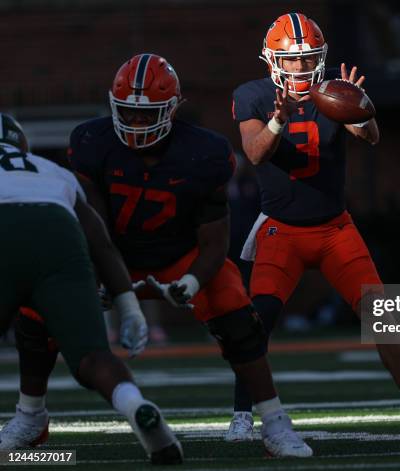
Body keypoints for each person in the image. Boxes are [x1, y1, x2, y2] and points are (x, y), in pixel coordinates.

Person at [4, 54, 311, 458]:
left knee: (238, 316)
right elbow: (94, 228)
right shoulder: (91, 142)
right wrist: (98, 277)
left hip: (180, 257)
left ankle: (274, 422)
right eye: (128, 114)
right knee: (34, 313)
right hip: (114, 255)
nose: (135, 124)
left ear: (172, 109)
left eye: (145, 115)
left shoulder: (205, 152)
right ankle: (30, 417)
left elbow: (216, 241)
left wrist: (193, 281)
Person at [228, 12, 400, 442]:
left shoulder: (333, 85)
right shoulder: (254, 96)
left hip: (335, 228)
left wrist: (359, 105)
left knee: (381, 314)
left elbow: (369, 135)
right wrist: (279, 119)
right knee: (257, 322)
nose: (300, 67)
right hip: (281, 230)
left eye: (308, 58)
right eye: (292, 60)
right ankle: (243, 413)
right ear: (272, 60)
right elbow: (256, 153)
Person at [0, 113, 182, 464]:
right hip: (58, 231)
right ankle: (136, 405)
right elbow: (101, 242)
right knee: (93, 357)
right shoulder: (49, 169)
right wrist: (129, 307)